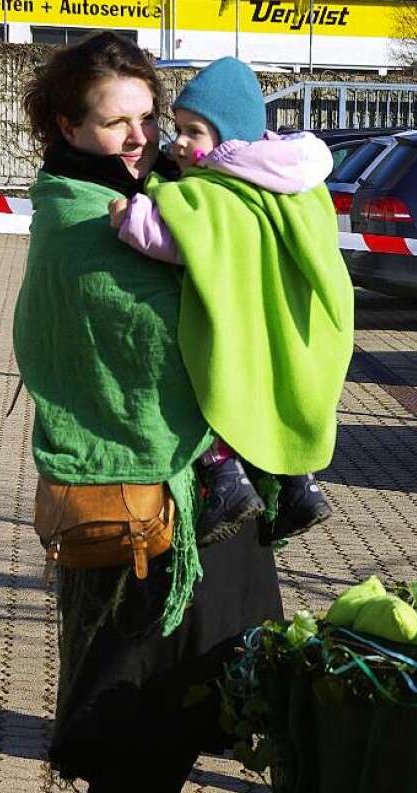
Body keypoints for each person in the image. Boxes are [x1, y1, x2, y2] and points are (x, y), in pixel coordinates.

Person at [14, 32, 283, 793]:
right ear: (65, 124)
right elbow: (151, 331)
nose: (137, 136)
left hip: (203, 491)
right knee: (144, 692)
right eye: (112, 121)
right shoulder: (76, 211)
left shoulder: (148, 195)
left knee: (205, 683)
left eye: (145, 117)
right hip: (138, 497)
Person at [109, 57, 354, 546]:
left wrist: (128, 215)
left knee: (205, 389)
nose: (178, 142)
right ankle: (300, 489)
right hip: (286, 322)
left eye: (193, 131)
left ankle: (227, 484)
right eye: (176, 127)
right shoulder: (291, 180)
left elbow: (184, 238)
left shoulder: (225, 186)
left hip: (243, 326)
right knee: (273, 398)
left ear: (228, 138)